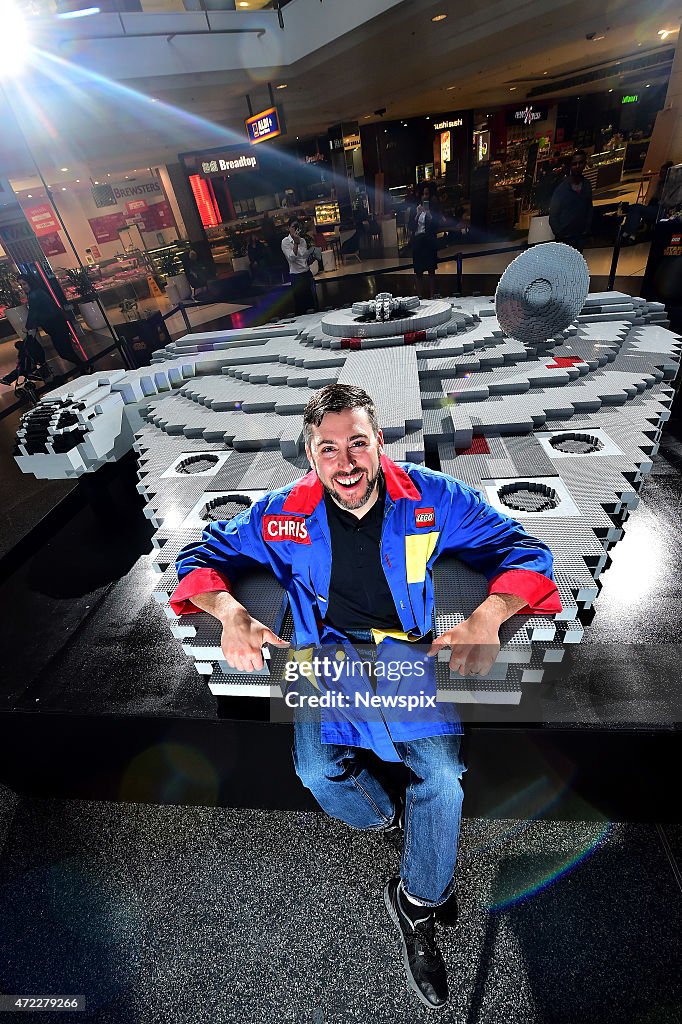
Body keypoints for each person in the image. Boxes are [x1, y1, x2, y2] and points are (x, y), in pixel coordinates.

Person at [170, 384, 561, 1010]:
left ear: (380, 442)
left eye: (358, 443)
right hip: (323, 653)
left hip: (405, 650)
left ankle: (417, 905)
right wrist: (229, 614)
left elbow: (525, 552)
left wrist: (489, 617)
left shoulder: (433, 496)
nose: (346, 462)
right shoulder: (278, 513)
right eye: (329, 449)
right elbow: (200, 556)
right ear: (310, 455)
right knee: (315, 770)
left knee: (442, 777)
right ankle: (394, 823)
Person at [18, 275, 88, 372]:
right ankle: (83, 367)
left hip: (55, 325)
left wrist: (28, 326)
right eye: (21, 285)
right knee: (67, 350)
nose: (23, 286)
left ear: (30, 282)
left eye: (24, 283)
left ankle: (84, 366)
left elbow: (33, 312)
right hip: (57, 324)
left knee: (63, 352)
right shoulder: (37, 292)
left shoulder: (34, 294)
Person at [549, 150, 593, 252]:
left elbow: (589, 208)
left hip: (580, 236)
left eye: (580, 163)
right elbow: (553, 216)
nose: (577, 166)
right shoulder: (561, 189)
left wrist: (587, 230)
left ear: (584, 164)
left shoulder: (587, 185)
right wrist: (561, 235)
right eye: (574, 164)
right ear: (570, 166)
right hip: (565, 238)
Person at [621, 161, 675, 244]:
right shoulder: (661, 184)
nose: (660, 174)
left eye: (663, 172)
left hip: (662, 209)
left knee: (636, 208)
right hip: (656, 206)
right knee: (634, 208)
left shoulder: (671, 185)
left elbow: (668, 201)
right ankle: (629, 232)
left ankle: (629, 232)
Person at [281, 216, 318, 315]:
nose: (296, 229)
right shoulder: (285, 242)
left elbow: (303, 258)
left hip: (307, 274)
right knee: (300, 305)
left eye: (298, 226)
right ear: (289, 228)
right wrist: (296, 244)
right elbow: (291, 258)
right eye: (294, 226)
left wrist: (311, 258)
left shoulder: (303, 241)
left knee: (312, 303)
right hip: (296, 276)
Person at [410, 184, 441, 299]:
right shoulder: (415, 209)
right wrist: (417, 215)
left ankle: (433, 295)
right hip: (418, 242)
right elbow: (411, 227)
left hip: (429, 242)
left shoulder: (434, 209)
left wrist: (429, 215)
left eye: (426, 194)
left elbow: (436, 226)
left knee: (431, 270)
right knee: (418, 271)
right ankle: (419, 296)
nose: (424, 196)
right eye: (422, 194)